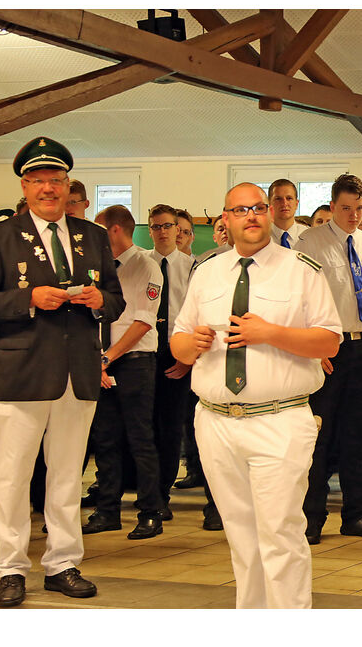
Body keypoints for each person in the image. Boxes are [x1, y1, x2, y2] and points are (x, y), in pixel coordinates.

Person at [171, 182, 341, 608]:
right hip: (215, 420)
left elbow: (329, 341)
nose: (251, 215)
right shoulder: (207, 271)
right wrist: (189, 345)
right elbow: (179, 340)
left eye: (258, 207)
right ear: (224, 220)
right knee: (241, 535)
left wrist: (270, 333)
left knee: (280, 533)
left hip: (278, 419)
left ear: (269, 214)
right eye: (240, 209)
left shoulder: (302, 269)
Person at [0, 136, 124, 608]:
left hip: (78, 374)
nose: (48, 189)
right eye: (38, 181)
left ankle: (62, 564)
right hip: (21, 373)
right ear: (24, 186)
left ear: (68, 186)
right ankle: (11, 569)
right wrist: (28, 299)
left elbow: (116, 299)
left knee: (66, 476)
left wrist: (100, 301)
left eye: (55, 180)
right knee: (12, 478)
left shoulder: (92, 236)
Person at [294, 174, 362, 544]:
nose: (354, 215)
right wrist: (313, 347)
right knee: (320, 437)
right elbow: (299, 299)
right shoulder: (311, 242)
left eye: (360, 209)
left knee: (358, 435)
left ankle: (355, 515)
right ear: (333, 206)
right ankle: (311, 518)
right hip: (327, 351)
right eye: (347, 208)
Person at [84, 205, 164, 539]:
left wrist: (108, 358)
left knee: (139, 439)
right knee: (105, 440)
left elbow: (143, 321)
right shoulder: (99, 268)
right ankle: (107, 510)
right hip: (102, 361)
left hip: (134, 362)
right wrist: (97, 360)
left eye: (99, 231)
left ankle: (150, 512)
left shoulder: (145, 265)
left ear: (115, 230)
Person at [146, 203, 193, 520]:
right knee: (144, 429)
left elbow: (199, 317)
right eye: (156, 226)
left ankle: (162, 495)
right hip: (144, 353)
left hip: (178, 354)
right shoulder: (141, 263)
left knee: (171, 429)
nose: (162, 232)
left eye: (167, 226)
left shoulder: (192, 267)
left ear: (178, 230)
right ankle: (147, 495)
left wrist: (188, 359)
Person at [268, 178, 308, 248]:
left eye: (289, 198)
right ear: (269, 204)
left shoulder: (308, 235)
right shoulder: (261, 237)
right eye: (278, 199)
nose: (284, 203)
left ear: (296, 204)